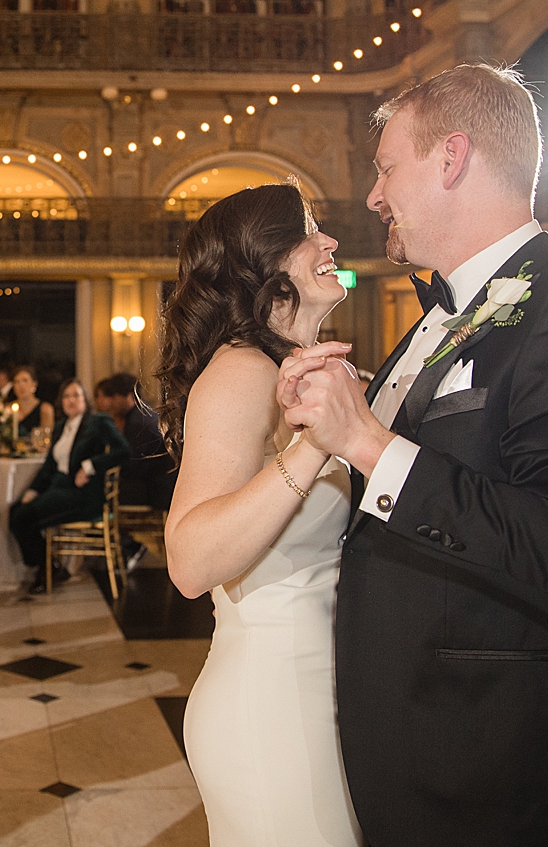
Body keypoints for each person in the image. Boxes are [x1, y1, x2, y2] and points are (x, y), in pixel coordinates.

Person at [278, 64, 548, 846]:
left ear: (451, 158)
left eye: (388, 166)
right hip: (410, 747)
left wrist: (366, 439)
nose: (373, 195)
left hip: (506, 767)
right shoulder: (428, 323)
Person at [158, 184, 361, 846]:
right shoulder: (242, 371)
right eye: (309, 230)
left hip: (317, 690)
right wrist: (313, 448)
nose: (331, 242)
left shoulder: (289, 368)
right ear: (264, 262)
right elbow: (190, 561)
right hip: (273, 706)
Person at [9, 380, 130, 594]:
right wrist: (32, 491)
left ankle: (45, 570)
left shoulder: (98, 421)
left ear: (85, 399)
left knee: (24, 517)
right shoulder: (59, 427)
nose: (71, 400)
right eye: (66, 396)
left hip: (84, 493)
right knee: (15, 512)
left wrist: (90, 466)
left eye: (76, 395)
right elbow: (48, 468)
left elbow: (123, 451)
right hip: (58, 488)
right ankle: (51, 566)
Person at [93, 372, 168, 573]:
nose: (111, 402)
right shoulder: (145, 411)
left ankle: (128, 545)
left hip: (155, 489)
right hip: (156, 481)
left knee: (101, 494)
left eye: (114, 398)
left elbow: (134, 466)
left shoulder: (138, 421)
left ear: (125, 397)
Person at [9, 365, 53, 436]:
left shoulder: (44, 409)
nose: (21, 385)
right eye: (17, 382)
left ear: (34, 384)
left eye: (25, 381)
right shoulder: (9, 408)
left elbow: (47, 436)